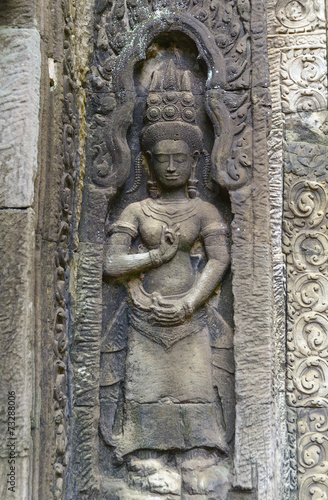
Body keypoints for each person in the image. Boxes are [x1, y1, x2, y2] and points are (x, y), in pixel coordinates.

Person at [103, 62, 230, 460]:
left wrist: (190, 302)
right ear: (146, 163)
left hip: (190, 318)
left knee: (196, 392)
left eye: (180, 158)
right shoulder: (139, 211)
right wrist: (156, 255)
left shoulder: (205, 211)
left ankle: (200, 453)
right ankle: (144, 457)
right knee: (143, 393)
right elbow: (111, 264)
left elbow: (220, 260)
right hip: (144, 316)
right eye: (162, 158)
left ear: (197, 159)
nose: (171, 166)